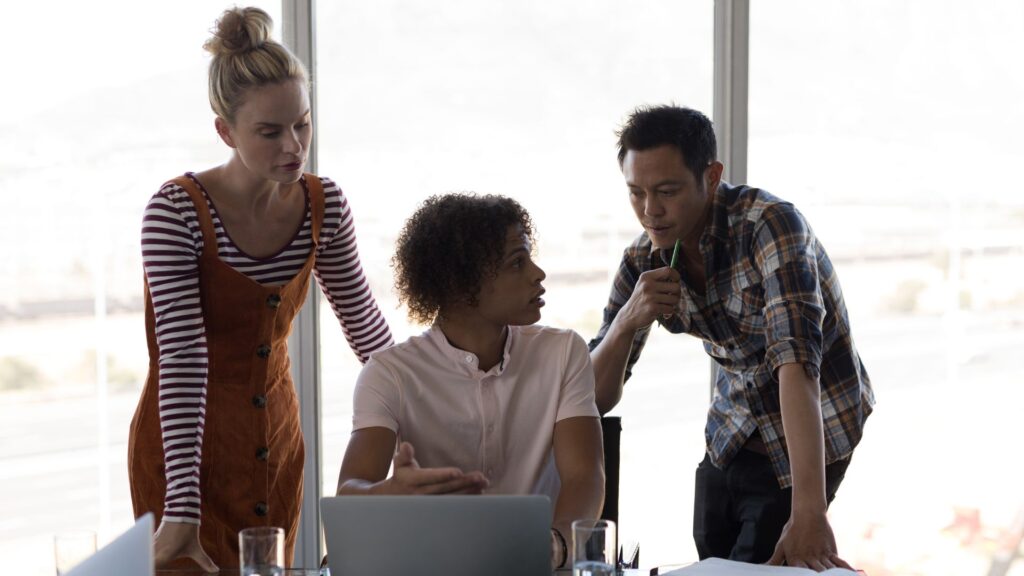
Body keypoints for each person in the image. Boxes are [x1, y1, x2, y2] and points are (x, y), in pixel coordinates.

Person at [127, 7, 394, 571]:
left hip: (275, 446)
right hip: (182, 457)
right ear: (225, 131)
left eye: (302, 123)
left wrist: (432, 412)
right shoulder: (175, 212)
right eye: (269, 132)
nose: (293, 146)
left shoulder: (324, 206)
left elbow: (366, 328)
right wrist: (182, 511)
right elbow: (183, 357)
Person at [589, 105, 875, 570]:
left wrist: (810, 512)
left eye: (667, 191)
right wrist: (627, 322)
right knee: (712, 563)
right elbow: (594, 399)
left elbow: (796, 364)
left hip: (812, 420)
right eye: (636, 193)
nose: (650, 210)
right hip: (731, 429)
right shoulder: (644, 259)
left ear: (712, 175)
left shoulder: (770, 225)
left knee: (767, 561)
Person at [335, 193, 605, 570]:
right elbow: (350, 491)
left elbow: (585, 474)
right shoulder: (389, 374)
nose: (538, 274)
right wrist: (386, 495)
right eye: (517, 262)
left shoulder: (562, 352)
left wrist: (556, 547)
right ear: (459, 285)